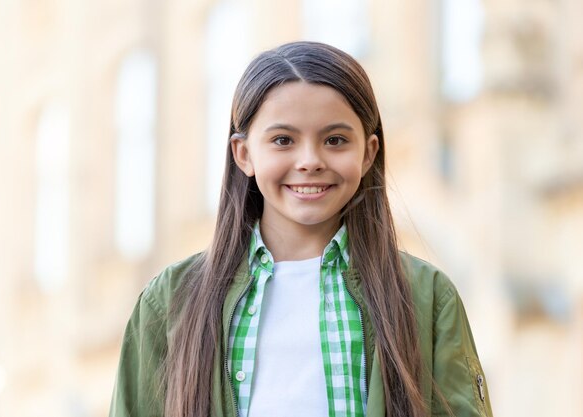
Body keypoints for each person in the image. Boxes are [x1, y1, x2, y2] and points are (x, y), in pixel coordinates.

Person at [108, 41, 494, 417]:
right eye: (283, 140)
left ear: (368, 153)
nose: (309, 160)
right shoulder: (170, 302)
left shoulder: (427, 297)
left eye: (335, 140)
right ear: (243, 154)